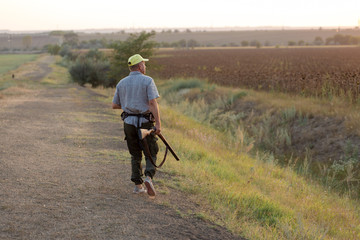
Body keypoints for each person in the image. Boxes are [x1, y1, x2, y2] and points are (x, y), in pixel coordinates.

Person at [112, 54, 161, 197]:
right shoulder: (148, 81)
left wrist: (129, 105)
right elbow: (152, 103)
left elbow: (115, 105)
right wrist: (158, 124)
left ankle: (138, 186)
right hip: (145, 123)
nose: (145, 66)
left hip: (128, 123)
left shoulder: (121, 83)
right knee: (151, 151)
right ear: (140, 66)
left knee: (135, 153)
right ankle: (148, 177)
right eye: (144, 64)